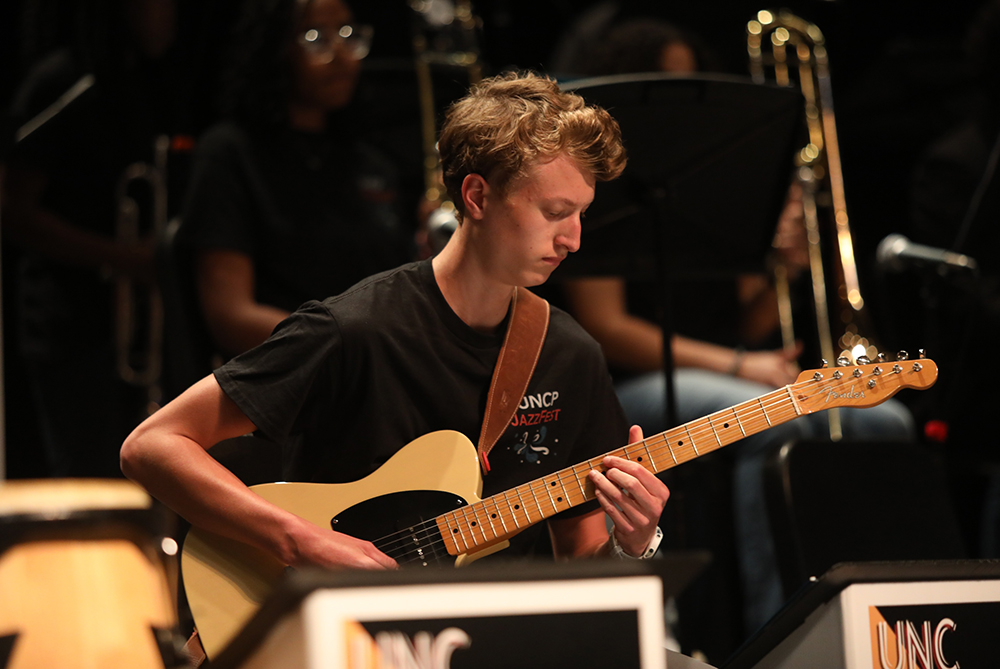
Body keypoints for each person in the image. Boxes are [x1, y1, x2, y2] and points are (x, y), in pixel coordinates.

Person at [121, 72, 669, 582]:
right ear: (477, 197)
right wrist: (297, 539)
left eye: (581, 214)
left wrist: (634, 541)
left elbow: (580, 556)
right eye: (554, 212)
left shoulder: (568, 352)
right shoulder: (354, 329)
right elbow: (153, 445)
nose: (573, 239)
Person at [555, 17, 915, 644]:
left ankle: (881, 619)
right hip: (635, 384)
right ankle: (777, 630)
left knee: (886, 422)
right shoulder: (594, 184)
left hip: (726, 369)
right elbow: (607, 328)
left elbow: (746, 319)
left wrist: (777, 266)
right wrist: (743, 367)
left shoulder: (719, 180)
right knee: (770, 413)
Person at [2, 0, 191, 477]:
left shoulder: (155, 79)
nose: (166, 13)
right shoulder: (66, 79)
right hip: (69, 322)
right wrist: (125, 257)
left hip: (142, 326)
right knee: (89, 472)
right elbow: (13, 208)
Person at [179, 0, 412, 359]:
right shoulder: (230, 152)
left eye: (348, 35)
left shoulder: (371, 160)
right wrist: (346, 349)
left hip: (368, 370)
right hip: (285, 378)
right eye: (315, 37)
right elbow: (229, 316)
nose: (341, 55)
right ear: (275, 50)